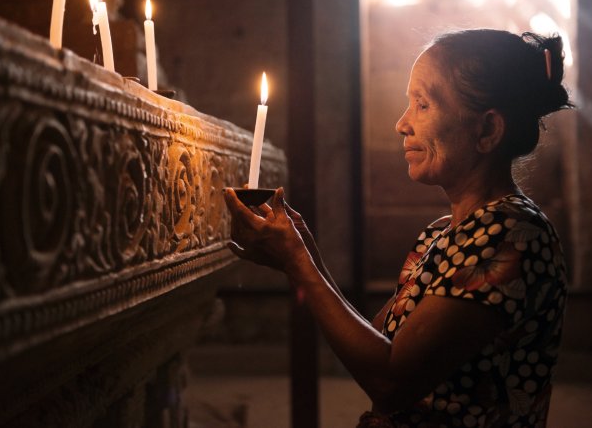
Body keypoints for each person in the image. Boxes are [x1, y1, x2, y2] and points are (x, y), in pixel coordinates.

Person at [223, 29, 572, 428]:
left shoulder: (512, 235)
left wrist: (299, 263)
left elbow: (390, 382)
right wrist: (304, 254)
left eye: (422, 104)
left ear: (488, 130)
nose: (401, 124)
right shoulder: (443, 233)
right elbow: (376, 346)